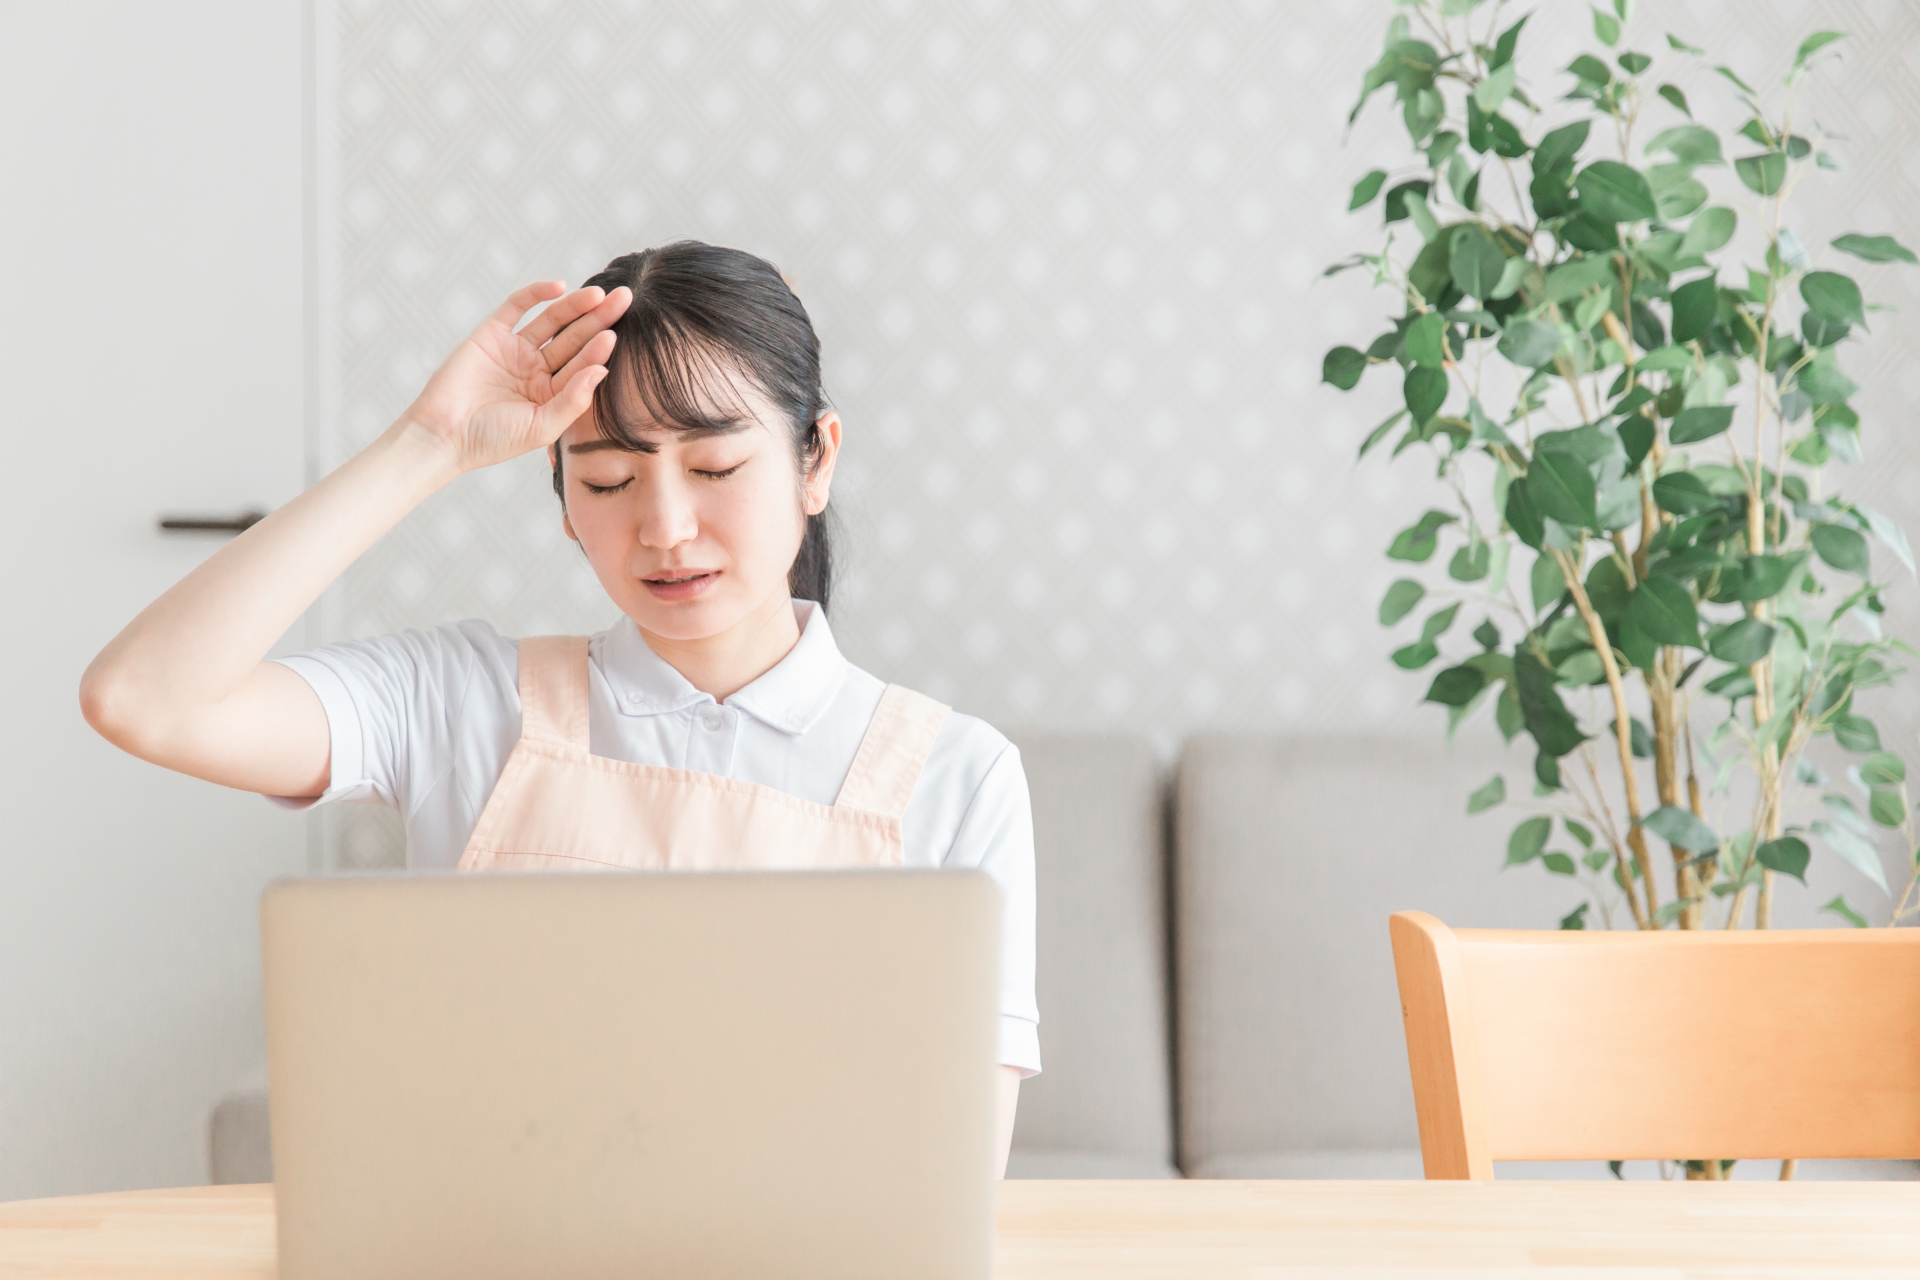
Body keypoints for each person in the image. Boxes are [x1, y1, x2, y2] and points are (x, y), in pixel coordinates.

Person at [81, 240, 1039, 1175]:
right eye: (608, 480)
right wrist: (430, 446)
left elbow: (953, 1181)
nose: (664, 528)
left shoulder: (957, 775)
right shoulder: (460, 702)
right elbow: (143, 699)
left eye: (713, 468)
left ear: (815, 462)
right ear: (563, 500)